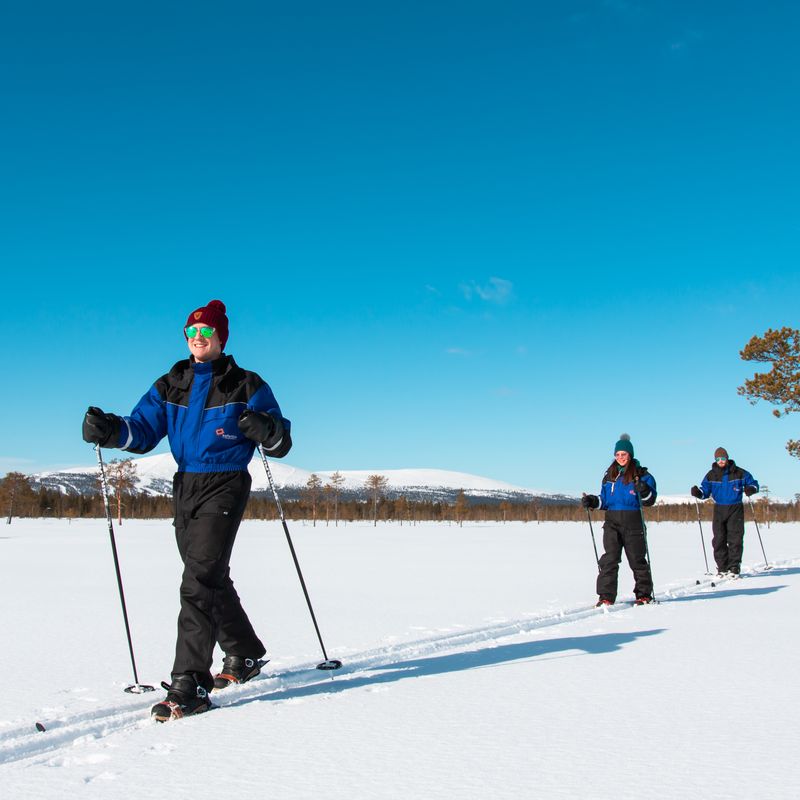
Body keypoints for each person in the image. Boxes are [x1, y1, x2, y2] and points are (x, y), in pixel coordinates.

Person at [82, 300, 292, 721]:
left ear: (220, 338)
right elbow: (140, 431)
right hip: (186, 485)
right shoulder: (170, 383)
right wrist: (110, 431)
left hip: (226, 481)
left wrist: (265, 429)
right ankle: (244, 652)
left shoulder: (246, 384)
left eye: (206, 333)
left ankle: (190, 685)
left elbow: (281, 440)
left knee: (198, 580)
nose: (198, 339)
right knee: (209, 577)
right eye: (191, 333)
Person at [581, 434, 657, 606]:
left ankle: (644, 594)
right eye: (617, 455)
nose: (620, 458)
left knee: (637, 560)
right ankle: (606, 597)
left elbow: (650, 500)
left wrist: (644, 490)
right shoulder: (610, 475)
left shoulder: (642, 475)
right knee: (609, 560)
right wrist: (593, 501)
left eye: (623, 454)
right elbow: (605, 500)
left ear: (630, 454)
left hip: (633, 521)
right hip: (612, 522)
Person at [690, 447, 758, 577]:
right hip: (719, 509)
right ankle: (722, 567)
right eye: (718, 459)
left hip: (735, 508)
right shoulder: (711, 474)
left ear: (727, 458)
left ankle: (734, 566)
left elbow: (754, 483)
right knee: (719, 539)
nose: (720, 461)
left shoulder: (739, 472)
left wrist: (751, 489)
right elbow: (705, 491)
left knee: (735, 538)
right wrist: (698, 493)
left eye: (723, 458)